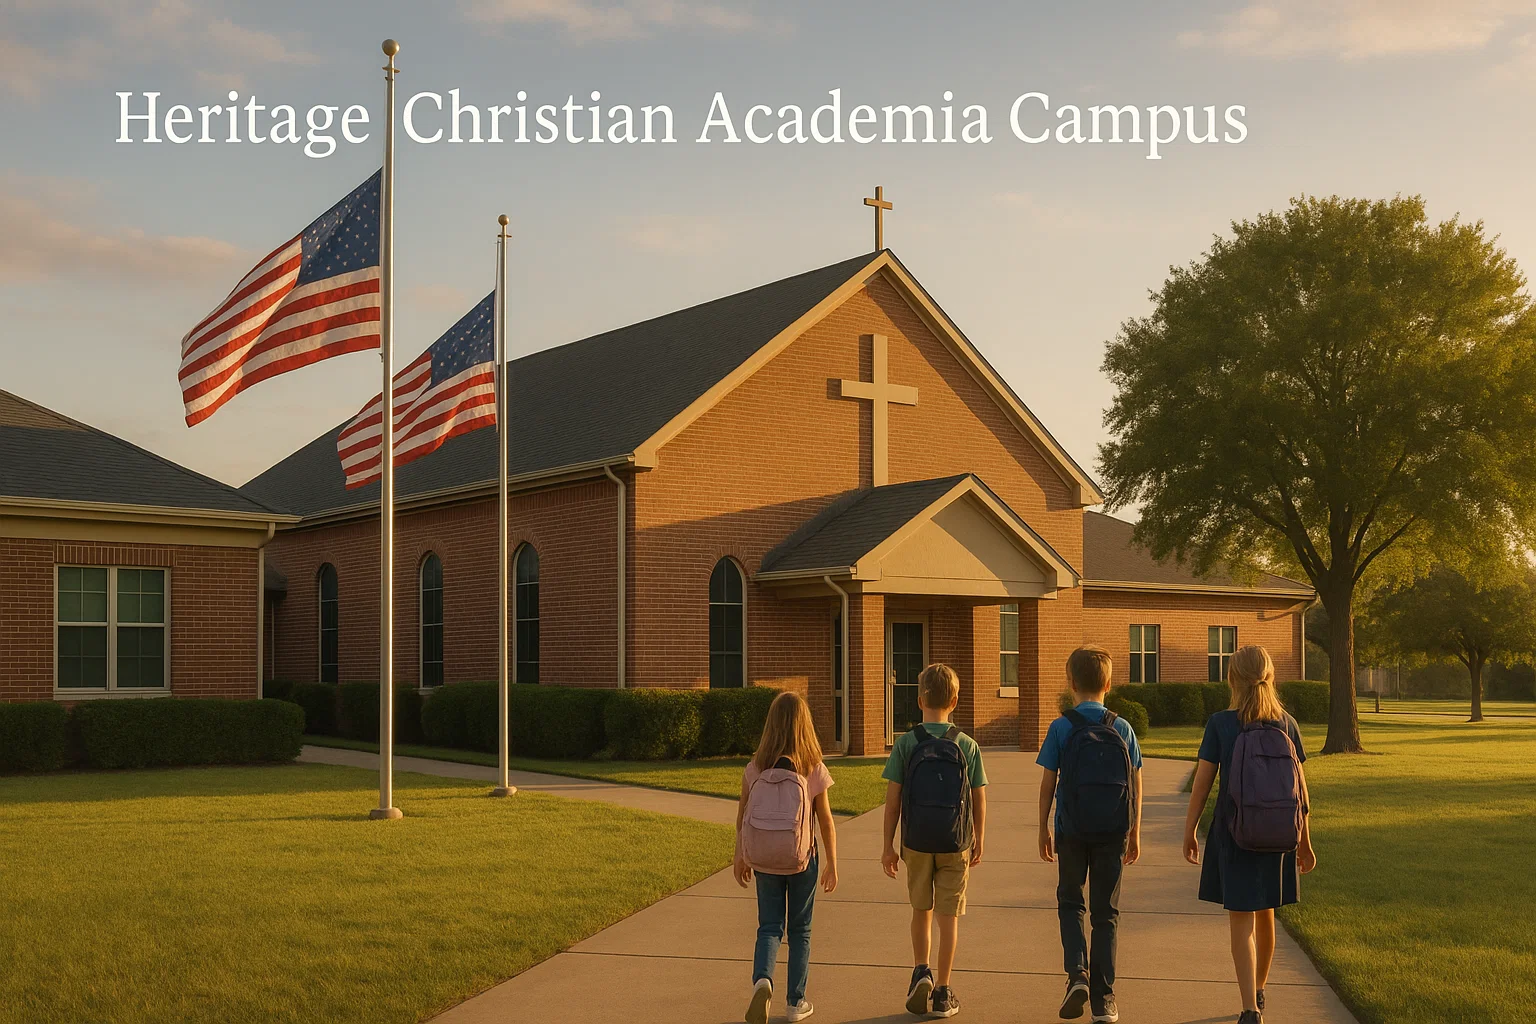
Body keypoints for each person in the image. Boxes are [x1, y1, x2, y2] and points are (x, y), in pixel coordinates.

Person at [1184, 645, 1317, 1024]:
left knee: (1241, 920)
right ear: (1271, 677)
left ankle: (1248, 1009)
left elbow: (1202, 785)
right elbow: (1300, 792)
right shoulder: (1287, 723)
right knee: (1266, 916)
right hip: (1278, 835)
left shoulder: (1221, 723)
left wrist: (1191, 829)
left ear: (1232, 679)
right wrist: (1304, 842)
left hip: (1235, 834)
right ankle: (1259, 990)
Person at [1036, 646, 1143, 1023]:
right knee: (1106, 913)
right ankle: (1105, 999)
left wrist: (1043, 828)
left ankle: (1076, 974)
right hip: (1114, 832)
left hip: (1071, 831)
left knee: (1070, 902)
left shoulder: (1061, 726)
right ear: (1109, 685)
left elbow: (1049, 782)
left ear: (1071, 683)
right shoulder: (1122, 728)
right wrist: (1135, 831)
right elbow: (1135, 782)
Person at [879, 663, 988, 1018]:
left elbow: (893, 799)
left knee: (920, 910)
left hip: (916, 842)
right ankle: (942, 990)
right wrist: (979, 838)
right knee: (949, 917)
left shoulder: (907, 743)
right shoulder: (967, 745)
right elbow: (978, 797)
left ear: (918, 698)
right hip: (955, 842)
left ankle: (919, 970)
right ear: (955, 700)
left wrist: (888, 845)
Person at [735, 691, 839, 1024]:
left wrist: (740, 855)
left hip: (764, 858)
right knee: (800, 930)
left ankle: (762, 980)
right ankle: (796, 1003)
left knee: (768, 927)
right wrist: (833, 863)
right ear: (804, 726)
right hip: (802, 858)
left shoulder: (756, 766)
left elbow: (742, 817)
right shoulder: (812, 766)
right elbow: (825, 819)